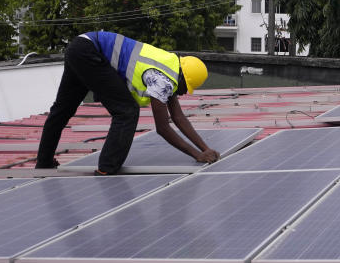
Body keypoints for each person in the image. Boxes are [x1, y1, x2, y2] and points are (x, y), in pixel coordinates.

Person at [35, 31, 219, 174]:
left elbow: (178, 117)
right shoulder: (163, 79)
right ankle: (106, 168)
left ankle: (44, 162)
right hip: (90, 52)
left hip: (80, 46)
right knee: (127, 111)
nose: (183, 93)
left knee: (62, 110)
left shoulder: (169, 66)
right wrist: (197, 155)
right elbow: (163, 128)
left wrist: (205, 149)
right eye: (186, 88)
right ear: (183, 79)